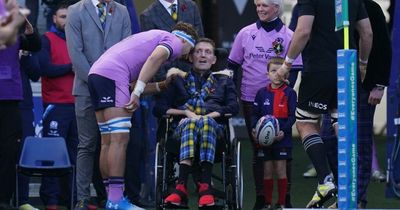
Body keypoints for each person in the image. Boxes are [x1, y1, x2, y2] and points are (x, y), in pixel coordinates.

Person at [87, 22, 198, 210]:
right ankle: (116, 201)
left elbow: (130, 85)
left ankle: (111, 199)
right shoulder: (174, 41)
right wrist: (137, 93)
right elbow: (155, 59)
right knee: (119, 140)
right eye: (191, 50)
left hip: (98, 73)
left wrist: (161, 85)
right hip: (113, 75)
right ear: (185, 41)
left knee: (108, 141)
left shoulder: (152, 37)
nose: (187, 56)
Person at [276, 0, 373, 208]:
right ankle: (348, 196)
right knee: (343, 128)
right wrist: (363, 64)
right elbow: (367, 33)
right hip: (347, 68)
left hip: (319, 69)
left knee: (305, 122)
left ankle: (325, 180)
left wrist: (287, 64)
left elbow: (302, 31)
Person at [226, 0, 301, 209]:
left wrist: (284, 93)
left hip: (280, 102)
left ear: (276, 7)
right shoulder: (245, 33)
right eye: (257, 5)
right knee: (259, 148)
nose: (259, 9)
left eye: (264, 6)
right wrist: (231, 94)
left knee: (283, 151)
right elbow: (232, 66)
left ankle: (285, 200)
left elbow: (294, 70)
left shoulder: (289, 36)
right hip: (251, 100)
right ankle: (262, 199)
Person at [154, 38, 239, 207]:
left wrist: (209, 116)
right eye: (198, 51)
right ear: (191, 57)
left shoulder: (224, 81)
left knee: (204, 124)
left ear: (214, 60)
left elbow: (233, 106)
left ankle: (183, 186)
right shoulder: (178, 80)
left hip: (214, 132)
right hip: (181, 133)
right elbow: (159, 108)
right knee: (189, 123)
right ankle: (203, 189)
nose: (203, 55)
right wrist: (185, 112)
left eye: (208, 52)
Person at [65, 0, 131, 208]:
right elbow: (75, 54)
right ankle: (82, 198)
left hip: (116, 89)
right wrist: (96, 80)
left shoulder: (121, 11)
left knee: (116, 143)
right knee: (87, 145)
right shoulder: (75, 11)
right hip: (86, 88)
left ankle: (113, 197)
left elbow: (127, 49)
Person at [27, 3, 79, 209]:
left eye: (69, 16)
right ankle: (52, 199)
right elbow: (44, 68)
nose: (66, 20)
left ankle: (73, 198)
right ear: (55, 19)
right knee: (53, 154)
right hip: (56, 105)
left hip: (77, 105)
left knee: (76, 154)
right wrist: (71, 67)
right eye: (63, 16)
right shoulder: (46, 39)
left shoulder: (77, 39)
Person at [0, 16, 40, 209]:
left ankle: (4, 198)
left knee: (10, 151)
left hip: (10, 99)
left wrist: (31, 32)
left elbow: (34, 45)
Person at [356, 0, 391, 208]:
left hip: (365, 87)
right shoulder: (335, 8)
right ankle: (342, 194)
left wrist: (379, 84)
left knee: (361, 141)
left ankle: (359, 198)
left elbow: (384, 47)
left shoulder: (371, 8)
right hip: (336, 85)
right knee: (328, 138)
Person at [251, 57, 296, 210]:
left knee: (281, 170)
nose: (277, 75)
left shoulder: (290, 93)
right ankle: (267, 203)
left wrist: (282, 131)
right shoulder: (261, 93)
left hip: (282, 140)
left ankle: (282, 203)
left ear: (286, 74)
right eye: (273, 71)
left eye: (280, 71)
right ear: (267, 74)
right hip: (264, 140)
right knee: (267, 171)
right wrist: (254, 128)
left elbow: (292, 117)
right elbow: (254, 115)